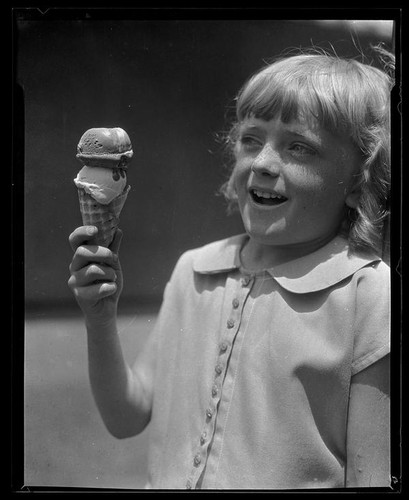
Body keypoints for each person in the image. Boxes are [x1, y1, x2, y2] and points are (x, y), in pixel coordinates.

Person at [68, 48, 394, 490]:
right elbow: (126, 414)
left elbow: (369, 477)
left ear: (358, 183)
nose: (261, 163)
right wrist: (100, 320)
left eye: (298, 147)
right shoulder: (195, 271)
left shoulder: (367, 294)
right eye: (251, 140)